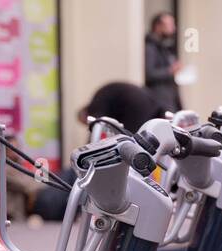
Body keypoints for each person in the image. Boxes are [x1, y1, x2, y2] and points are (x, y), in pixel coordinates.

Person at [28, 82, 164, 222]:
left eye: (85, 123)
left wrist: (86, 155)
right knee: (140, 149)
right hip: (151, 104)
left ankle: (133, 199)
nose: (86, 125)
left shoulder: (97, 105)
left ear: (86, 115)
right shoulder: (108, 97)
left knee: (132, 151)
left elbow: (96, 132)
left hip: (137, 106)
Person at [144, 12, 183, 113]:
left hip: (170, 99)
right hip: (160, 102)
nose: (173, 29)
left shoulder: (163, 47)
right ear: (158, 26)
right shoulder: (150, 47)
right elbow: (149, 73)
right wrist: (170, 70)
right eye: (170, 25)